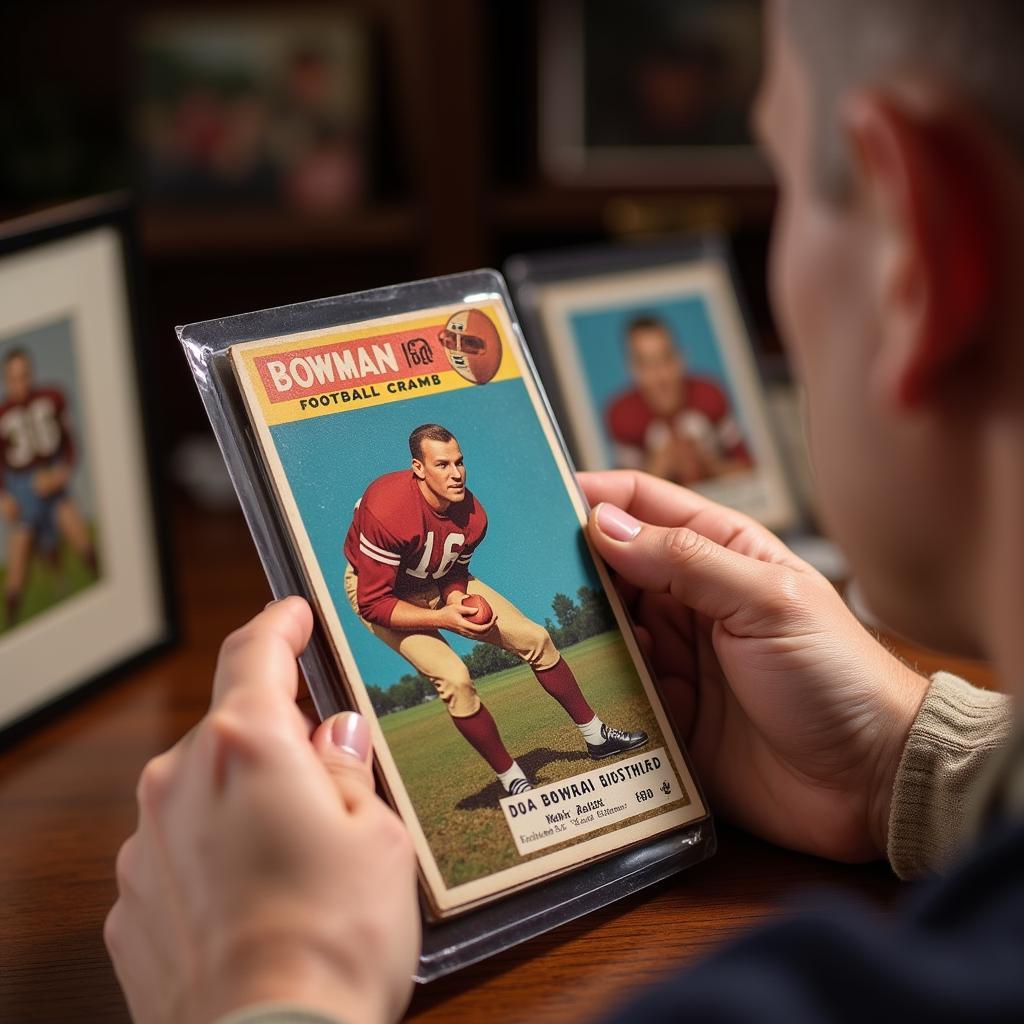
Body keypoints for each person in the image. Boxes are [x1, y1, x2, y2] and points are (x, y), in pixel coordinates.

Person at [105, 0, 1024, 1021]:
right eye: (441, 454)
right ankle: (503, 777)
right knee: (454, 671)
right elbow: (374, 594)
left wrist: (269, 983)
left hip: (447, 590)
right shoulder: (385, 505)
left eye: (784, 183)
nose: (454, 466)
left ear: (921, 255)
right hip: (395, 609)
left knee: (533, 631)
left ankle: (587, 734)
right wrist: (909, 756)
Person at [343, 422, 647, 797]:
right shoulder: (387, 508)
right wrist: (442, 618)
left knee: (537, 638)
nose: (456, 474)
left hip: (437, 579)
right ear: (418, 468)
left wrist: (454, 599)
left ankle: (596, 737)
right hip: (383, 593)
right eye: (442, 465)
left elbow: (454, 570)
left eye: (459, 462)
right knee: (455, 678)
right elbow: (374, 603)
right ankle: (511, 776)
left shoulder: (472, 514)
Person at [0, 347, 99, 628]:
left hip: (50, 479)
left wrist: (62, 473)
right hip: (22, 487)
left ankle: (87, 588)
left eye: (24, 376)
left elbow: (69, 441)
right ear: (6, 380)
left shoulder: (52, 398)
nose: (20, 383)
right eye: (13, 378)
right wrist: (4, 496)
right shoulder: (2, 413)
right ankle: (12, 628)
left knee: (79, 536)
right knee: (19, 561)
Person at [606, 314, 752, 484]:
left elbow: (751, 471)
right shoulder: (623, 416)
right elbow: (622, 495)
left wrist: (710, 465)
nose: (660, 377)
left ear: (682, 358)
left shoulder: (710, 396)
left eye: (666, 358)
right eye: (646, 364)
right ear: (632, 369)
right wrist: (659, 466)